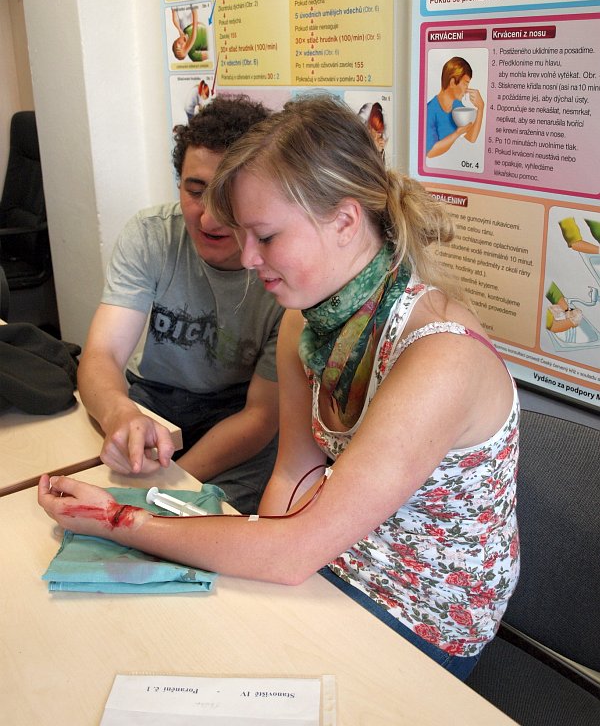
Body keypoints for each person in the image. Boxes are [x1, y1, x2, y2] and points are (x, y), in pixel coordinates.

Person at [39, 95, 519, 680]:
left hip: (418, 611)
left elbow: (292, 551)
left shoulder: (440, 357)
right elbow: (292, 480)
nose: (247, 258)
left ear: (345, 221)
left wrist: (122, 520)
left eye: (264, 237)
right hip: (330, 564)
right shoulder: (304, 322)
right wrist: (253, 567)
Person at [75, 95, 283, 514]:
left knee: (193, 524)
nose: (207, 219)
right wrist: (119, 414)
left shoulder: (285, 266)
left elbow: (261, 417)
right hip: (154, 403)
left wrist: (167, 486)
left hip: (237, 419)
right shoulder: (151, 234)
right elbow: (102, 353)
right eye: (195, 191)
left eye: (227, 197)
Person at [426, 56, 485, 159]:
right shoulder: (430, 110)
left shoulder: (457, 106)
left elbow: (471, 138)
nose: (467, 89)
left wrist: (481, 108)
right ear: (453, 82)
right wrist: (457, 133)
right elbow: (430, 152)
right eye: (465, 83)